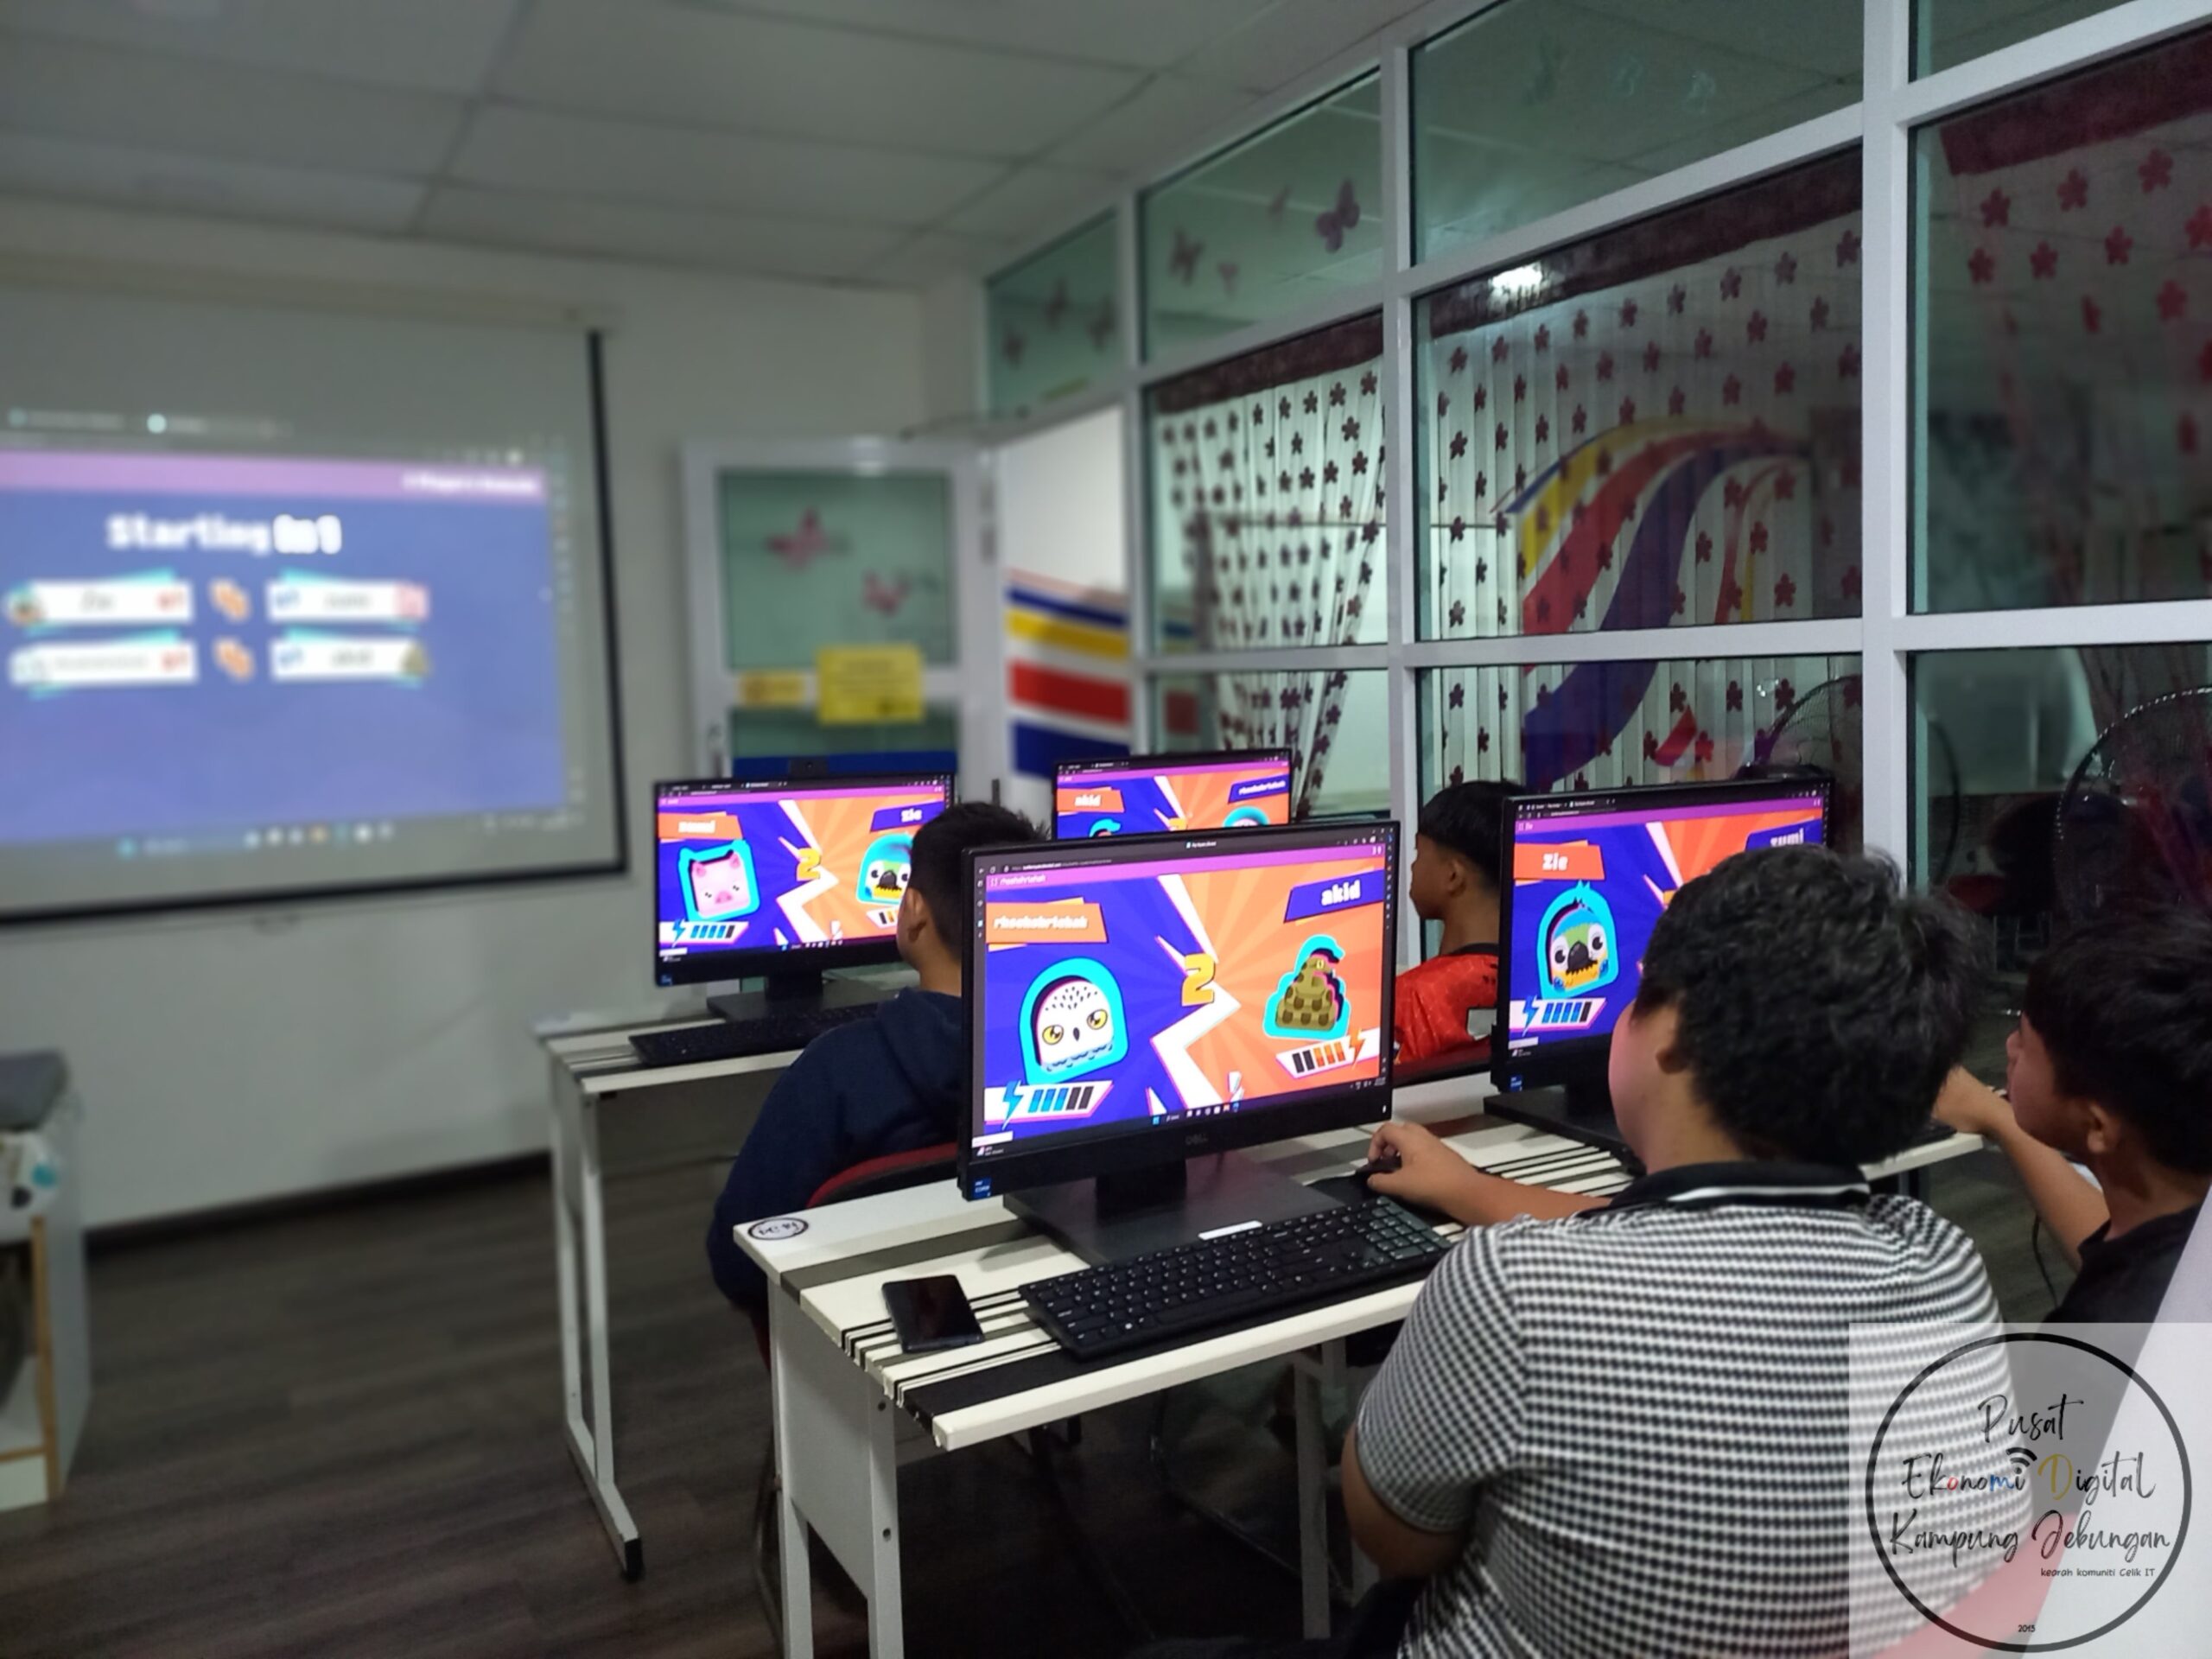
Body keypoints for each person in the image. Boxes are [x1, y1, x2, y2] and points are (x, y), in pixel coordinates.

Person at [1135, 847, 2010, 1659]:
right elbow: (1723, 1240)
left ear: (1673, 1032)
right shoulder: (1942, 1263)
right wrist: (1473, 1190)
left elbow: (1394, 1538)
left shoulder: (1516, 1290)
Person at [707, 801, 1040, 1313]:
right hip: (1024, 1301)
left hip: (858, 1324)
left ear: (915, 910)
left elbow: (737, 1263)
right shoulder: (1073, 1065)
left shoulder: (834, 1072)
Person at [1934, 910, 2212, 1323]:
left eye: (2025, 1042)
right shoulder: (2177, 1249)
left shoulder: (2101, 1335)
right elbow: (2133, 1252)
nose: (2009, 1048)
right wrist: (1999, 1117)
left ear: (2097, 1126)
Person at [1392, 780, 1519, 1068]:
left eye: (1418, 853)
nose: (1412, 866)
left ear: (1453, 876)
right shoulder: (1541, 979)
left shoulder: (1412, 997)